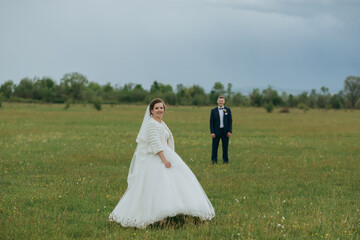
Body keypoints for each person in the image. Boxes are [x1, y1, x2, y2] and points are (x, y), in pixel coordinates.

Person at [109, 98, 215, 229]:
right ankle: (158, 217)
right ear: (151, 111)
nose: (160, 110)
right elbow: (156, 145)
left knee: (175, 184)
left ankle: (177, 211)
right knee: (158, 186)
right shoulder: (151, 125)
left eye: (161, 108)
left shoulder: (161, 123)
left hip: (167, 153)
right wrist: (164, 160)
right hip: (157, 157)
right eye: (156, 108)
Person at [210, 96, 232, 164]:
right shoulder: (213, 111)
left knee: (225, 147)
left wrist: (229, 131)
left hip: (225, 132)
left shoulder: (227, 110)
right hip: (216, 132)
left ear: (224, 102)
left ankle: (225, 161)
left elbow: (230, 121)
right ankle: (214, 161)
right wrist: (212, 132)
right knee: (214, 147)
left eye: (222, 101)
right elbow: (211, 122)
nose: (221, 102)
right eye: (219, 101)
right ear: (217, 102)